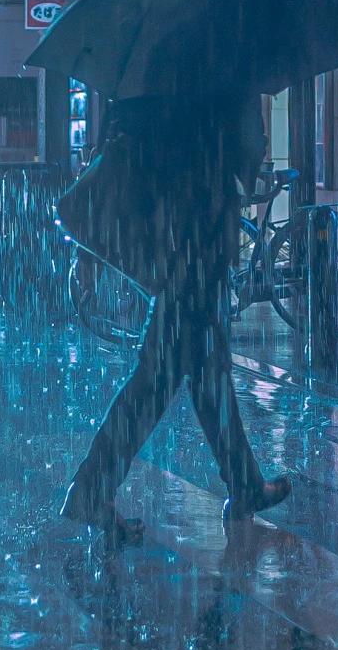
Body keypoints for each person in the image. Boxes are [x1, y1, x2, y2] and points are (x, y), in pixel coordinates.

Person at [58, 91, 291, 538]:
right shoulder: (218, 70)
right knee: (163, 376)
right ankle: (92, 486)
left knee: (202, 372)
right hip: (197, 243)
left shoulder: (167, 65)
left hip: (179, 241)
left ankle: (243, 484)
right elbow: (243, 148)